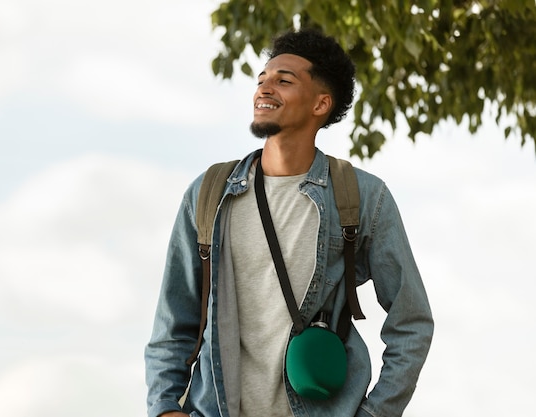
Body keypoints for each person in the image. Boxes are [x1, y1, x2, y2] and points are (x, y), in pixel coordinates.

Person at [145, 29, 433, 417]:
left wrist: (375, 413)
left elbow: (411, 321)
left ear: (321, 104)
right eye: (262, 79)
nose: (264, 89)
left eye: (283, 81)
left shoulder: (362, 197)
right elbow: (174, 320)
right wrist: (165, 408)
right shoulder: (209, 193)